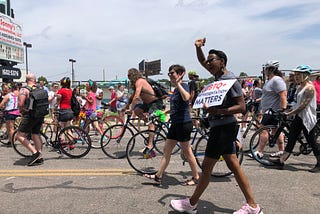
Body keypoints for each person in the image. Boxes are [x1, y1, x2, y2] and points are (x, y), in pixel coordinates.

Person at [171, 38, 263, 214]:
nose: (208, 63)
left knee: (206, 168)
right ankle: (253, 206)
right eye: (209, 60)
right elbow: (201, 61)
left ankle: (191, 203)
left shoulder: (230, 80)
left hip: (223, 128)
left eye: (212, 59)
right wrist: (198, 48)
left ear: (222, 62)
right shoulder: (219, 76)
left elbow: (242, 106)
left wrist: (218, 111)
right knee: (234, 166)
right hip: (221, 127)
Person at [143, 64, 200, 186]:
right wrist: (163, 112)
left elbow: (187, 97)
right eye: (169, 73)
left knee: (187, 152)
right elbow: (175, 107)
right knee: (166, 150)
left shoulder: (183, 85)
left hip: (183, 123)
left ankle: (196, 177)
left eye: (172, 73)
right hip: (175, 124)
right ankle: (158, 176)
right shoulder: (174, 90)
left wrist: (178, 83)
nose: (170, 75)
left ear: (180, 74)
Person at [277, 65, 320, 173]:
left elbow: (303, 106)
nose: (296, 77)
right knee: (291, 139)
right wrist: (287, 110)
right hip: (299, 117)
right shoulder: (299, 87)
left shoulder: (310, 88)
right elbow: (297, 104)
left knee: (311, 141)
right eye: (295, 75)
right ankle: (281, 161)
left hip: (307, 118)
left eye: (298, 75)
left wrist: (289, 114)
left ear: (305, 76)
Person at [249, 60, 287, 159]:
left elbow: (283, 95)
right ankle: (281, 150)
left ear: (271, 69)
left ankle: (260, 151)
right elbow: (266, 95)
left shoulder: (276, 80)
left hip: (273, 110)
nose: (264, 70)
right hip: (268, 110)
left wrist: (282, 109)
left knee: (263, 129)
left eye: (266, 68)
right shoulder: (268, 81)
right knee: (275, 130)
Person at [123, 68, 164, 151]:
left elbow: (136, 96)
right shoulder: (136, 83)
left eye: (129, 75)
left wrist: (131, 109)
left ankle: (150, 145)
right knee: (137, 111)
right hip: (147, 104)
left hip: (155, 103)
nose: (128, 77)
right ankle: (151, 126)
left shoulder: (140, 81)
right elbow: (132, 96)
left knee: (150, 122)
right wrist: (126, 105)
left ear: (133, 75)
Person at [15, 74, 44, 166]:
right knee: (35, 134)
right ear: (35, 80)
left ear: (26, 80)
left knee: (19, 135)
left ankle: (35, 153)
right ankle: (39, 157)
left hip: (30, 115)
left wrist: (22, 111)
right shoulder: (40, 88)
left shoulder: (24, 89)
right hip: (40, 114)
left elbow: (20, 104)